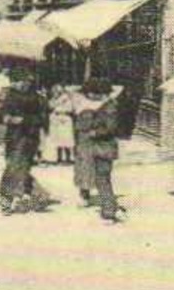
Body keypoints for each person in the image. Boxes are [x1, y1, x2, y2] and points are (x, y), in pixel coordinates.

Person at [0, 69, 49, 215]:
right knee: (18, 168)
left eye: (19, 81)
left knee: (15, 168)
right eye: (14, 81)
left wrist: (23, 120)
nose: (16, 84)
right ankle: (40, 196)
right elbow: (2, 115)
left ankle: (6, 199)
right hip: (12, 137)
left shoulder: (37, 99)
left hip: (28, 138)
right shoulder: (10, 96)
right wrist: (6, 118)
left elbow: (42, 119)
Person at [76, 77, 124, 224]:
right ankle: (110, 209)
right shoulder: (104, 106)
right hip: (99, 148)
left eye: (90, 93)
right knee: (101, 179)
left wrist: (95, 132)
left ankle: (109, 212)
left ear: (99, 93)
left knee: (103, 180)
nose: (89, 96)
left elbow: (111, 128)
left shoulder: (109, 107)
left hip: (104, 148)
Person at [47, 84, 77, 165]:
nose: (56, 92)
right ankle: (59, 158)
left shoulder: (67, 99)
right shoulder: (53, 99)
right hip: (56, 120)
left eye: (58, 90)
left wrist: (62, 110)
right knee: (58, 140)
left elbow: (71, 109)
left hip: (65, 120)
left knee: (67, 139)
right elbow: (50, 106)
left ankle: (68, 158)